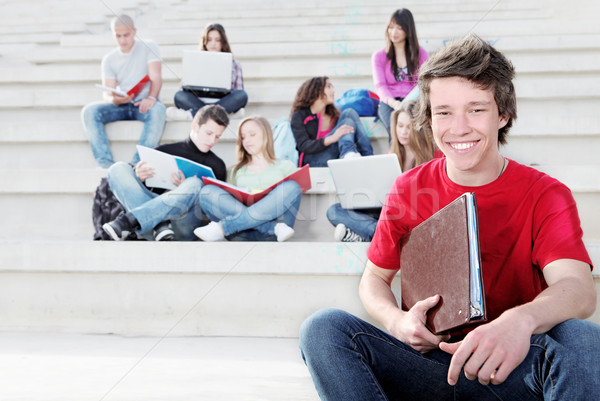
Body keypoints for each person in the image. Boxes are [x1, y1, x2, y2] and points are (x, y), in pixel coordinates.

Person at [300, 33, 599, 400]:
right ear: (429, 118)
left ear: (502, 114)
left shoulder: (545, 194)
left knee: (581, 338)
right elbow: (374, 279)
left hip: (510, 367)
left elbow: (579, 289)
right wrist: (397, 321)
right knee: (323, 328)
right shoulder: (408, 188)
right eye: (444, 112)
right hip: (429, 364)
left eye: (476, 109)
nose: (458, 128)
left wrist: (519, 321)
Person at [102, 105, 229, 241]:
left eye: (217, 137)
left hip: (184, 225)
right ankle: (160, 224)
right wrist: (139, 177)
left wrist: (185, 190)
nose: (212, 141)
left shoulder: (217, 166)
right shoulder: (163, 150)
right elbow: (138, 192)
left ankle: (132, 221)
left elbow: (212, 213)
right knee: (118, 168)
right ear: (195, 126)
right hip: (155, 229)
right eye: (209, 133)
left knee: (194, 183)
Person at [327, 100, 437, 242]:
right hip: (384, 211)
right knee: (334, 211)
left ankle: (368, 235)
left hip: (409, 216)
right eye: (400, 126)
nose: (403, 132)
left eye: (409, 127)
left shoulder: (430, 159)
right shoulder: (390, 156)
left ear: (417, 129)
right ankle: (381, 234)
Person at [194, 116, 302, 242]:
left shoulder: (285, 166)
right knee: (207, 191)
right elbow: (228, 205)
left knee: (292, 187)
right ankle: (272, 227)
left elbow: (292, 197)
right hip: (242, 233)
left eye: (252, 134)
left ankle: (224, 227)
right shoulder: (235, 171)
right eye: (243, 137)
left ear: (266, 135)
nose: (247, 141)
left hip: (275, 236)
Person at [81, 14, 166, 168]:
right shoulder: (109, 59)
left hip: (144, 104)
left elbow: (156, 77)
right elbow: (108, 92)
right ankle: (106, 164)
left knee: (159, 110)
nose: (122, 40)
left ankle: (136, 164)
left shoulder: (149, 46)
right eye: (118, 36)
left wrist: (151, 98)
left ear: (134, 31)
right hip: (121, 104)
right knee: (89, 111)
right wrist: (114, 99)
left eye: (126, 35)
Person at [167, 23, 248, 120]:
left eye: (217, 40)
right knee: (179, 96)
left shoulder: (234, 64)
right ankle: (223, 115)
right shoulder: (194, 61)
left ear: (223, 42)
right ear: (205, 42)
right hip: (198, 100)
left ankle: (193, 115)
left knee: (242, 95)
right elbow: (183, 89)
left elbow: (238, 91)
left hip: (224, 102)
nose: (213, 43)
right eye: (209, 40)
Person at [290, 76, 373, 167]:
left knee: (349, 113)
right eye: (328, 87)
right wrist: (332, 138)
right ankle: (357, 155)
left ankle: (360, 155)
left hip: (332, 157)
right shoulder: (299, 116)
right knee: (348, 114)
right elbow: (304, 145)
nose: (333, 91)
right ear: (316, 90)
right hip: (312, 161)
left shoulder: (333, 115)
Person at [372, 9, 428, 137]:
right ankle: (396, 156)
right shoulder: (379, 56)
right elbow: (380, 86)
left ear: (408, 30)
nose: (394, 32)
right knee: (396, 133)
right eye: (391, 28)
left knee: (415, 133)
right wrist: (394, 103)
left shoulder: (421, 54)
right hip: (389, 102)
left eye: (399, 28)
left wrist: (408, 102)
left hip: (414, 101)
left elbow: (423, 82)